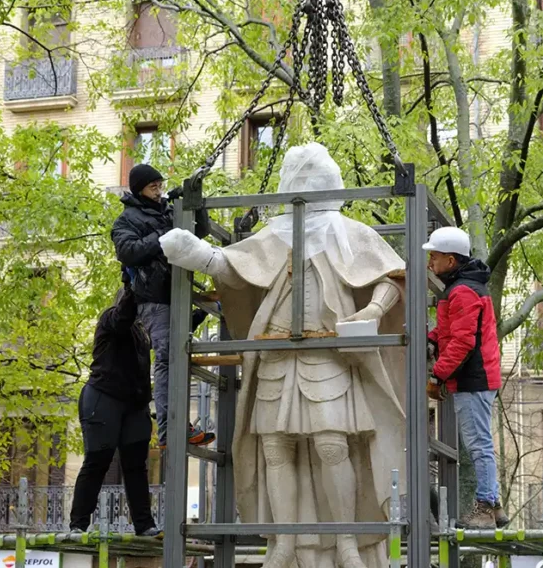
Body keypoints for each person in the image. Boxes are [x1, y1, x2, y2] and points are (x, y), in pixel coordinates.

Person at [158, 143, 407, 568]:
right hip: (274, 352)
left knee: (332, 446)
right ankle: (285, 541)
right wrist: (197, 255)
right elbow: (234, 265)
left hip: (329, 352)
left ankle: (347, 541)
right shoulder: (274, 235)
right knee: (274, 449)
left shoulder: (348, 232)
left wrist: (372, 310)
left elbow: (393, 276)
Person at [111, 163, 212, 449]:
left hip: (176, 294)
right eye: (153, 186)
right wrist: (164, 237)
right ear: (139, 190)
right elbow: (128, 252)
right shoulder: (126, 220)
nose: (159, 191)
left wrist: (193, 204)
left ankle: (178, 424)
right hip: (153, 299)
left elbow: (200, 231)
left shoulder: (169, 211)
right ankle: (171, 428)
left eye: (160, 185)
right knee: (168, 360)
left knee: (179, 357)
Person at [423, 226, 507, 529]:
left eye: (435, 256)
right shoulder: (464, 287)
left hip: (474, 380)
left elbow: (462, 342)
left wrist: (438, 375)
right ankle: (494, 506)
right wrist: (432, 338)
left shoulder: (461, 291)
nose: (431, 262)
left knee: (478, 445)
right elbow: (453, 332)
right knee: (480, 443)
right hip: (478, 378)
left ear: (451, 259)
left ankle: (485, 507)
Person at [69, 274, 160, 536]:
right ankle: (78, 524)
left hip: (134, 404)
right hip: (104, 396)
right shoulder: (111, 318)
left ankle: (144, 524)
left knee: (136, 466)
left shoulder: (142, 333)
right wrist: (133, 288)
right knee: (98, 460)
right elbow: (123, 317)